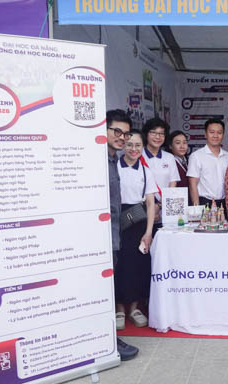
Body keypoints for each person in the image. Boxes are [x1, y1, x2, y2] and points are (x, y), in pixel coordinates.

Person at [115, 129, 158, 330]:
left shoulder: (146, 171)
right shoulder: (114, 167)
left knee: (138, 265)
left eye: (137, 145)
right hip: (117, 220)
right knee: (119, 265)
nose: (133, 149)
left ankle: (134, 308)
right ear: (123, 145)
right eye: (130, 144)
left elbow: (150, 204)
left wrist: (148, 232)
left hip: (139, 221)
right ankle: (119, 309)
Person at [105, 109, 139, 361]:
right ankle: (106, 342)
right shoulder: (95, 161)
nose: (122, 137)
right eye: (117, 131)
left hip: (113, 236)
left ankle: (108, 340)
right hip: (99, 239)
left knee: (108, 288)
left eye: (126, 133)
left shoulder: (113, 159)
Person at [187, 118, 228, 214]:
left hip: (225, 203)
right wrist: (197, 210)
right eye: (212, 132)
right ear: (205, 134)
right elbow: (193, 185)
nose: (215, 135)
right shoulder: (196, 156)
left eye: (219, 132)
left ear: (223, 135)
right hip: (204, 202)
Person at [141, 117, 180, 224]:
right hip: (142, 209)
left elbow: (173, 183)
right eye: (153, 133)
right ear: (146, 134)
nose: (158, 137)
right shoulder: (138, 155)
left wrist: (159, 206)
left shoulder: (169, 157)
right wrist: (150, 206)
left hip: (164, 209)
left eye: (161, 133)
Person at [168, 130, 190, 203]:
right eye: (178, 143)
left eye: (184, 143)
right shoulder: (169, 162)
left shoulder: (189, 161)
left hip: (189, 200)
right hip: (176, 202)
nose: (182, 146)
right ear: (170, 146)